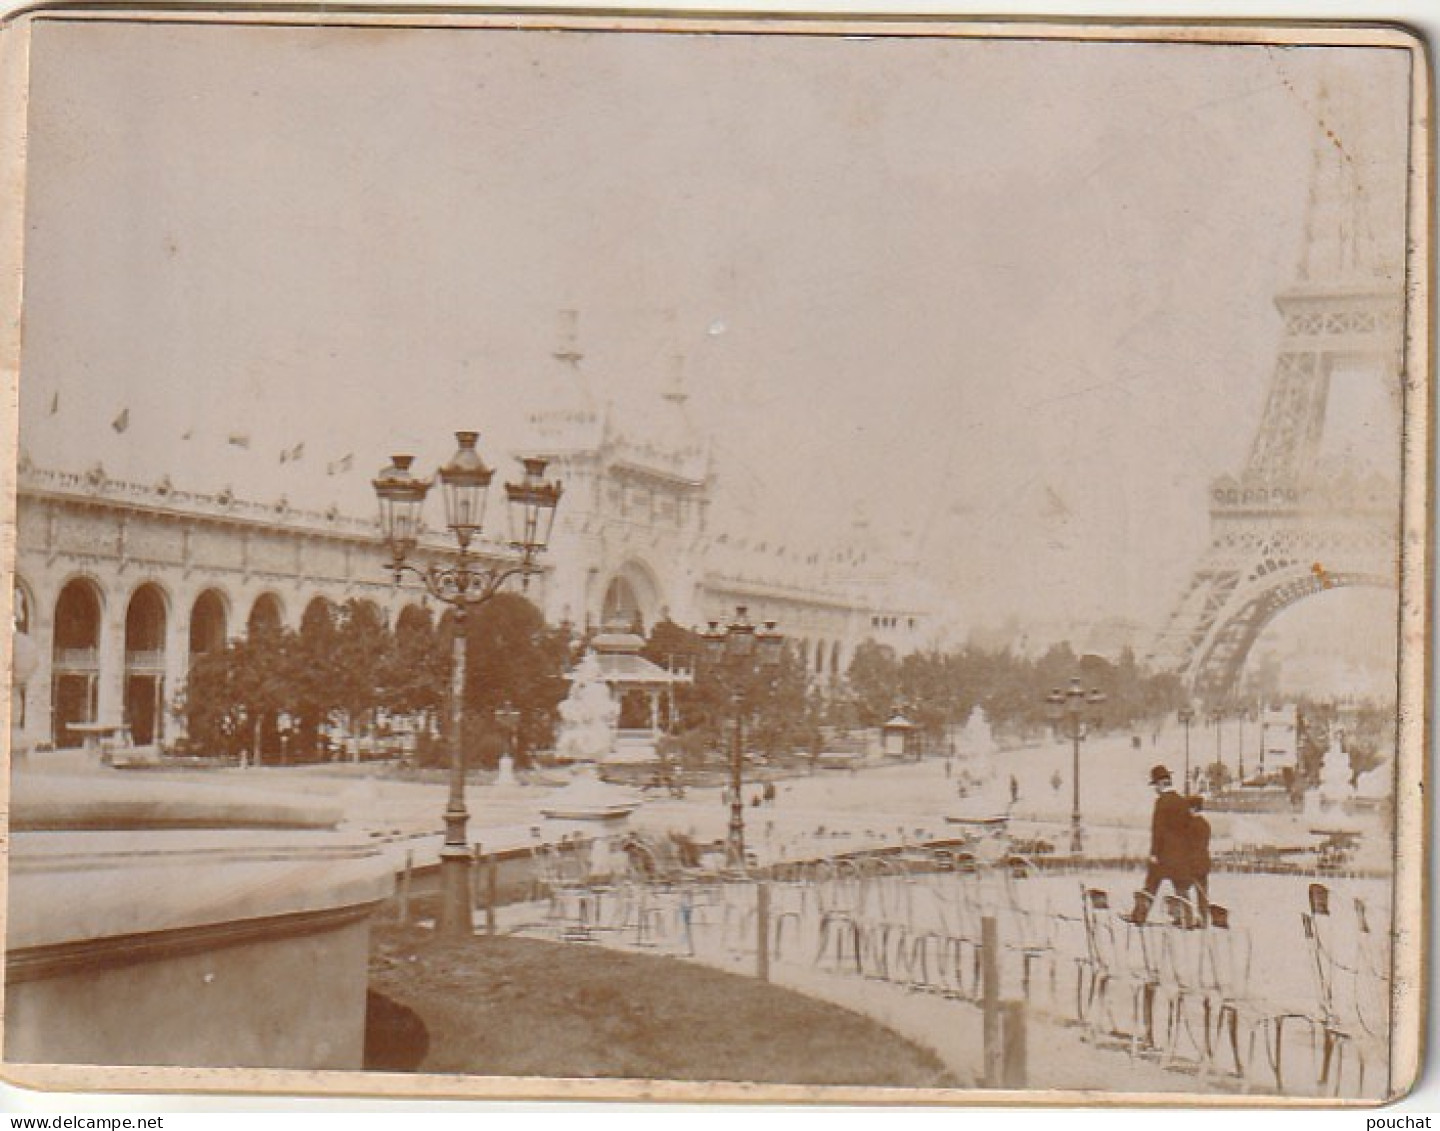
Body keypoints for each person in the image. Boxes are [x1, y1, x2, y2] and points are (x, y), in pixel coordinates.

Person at [1125, 764, 1194, 924]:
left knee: (1151, 884)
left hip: (1163, 854)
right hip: (1181, 855)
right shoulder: (1183, 802)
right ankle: (1188, 919)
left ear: (1161, 784)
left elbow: (1158, 830)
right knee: (1181, 886)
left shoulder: (1161, 803)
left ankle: (1139, 916)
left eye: (1155, 785)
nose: (1155, 789)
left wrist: (1154, 853)